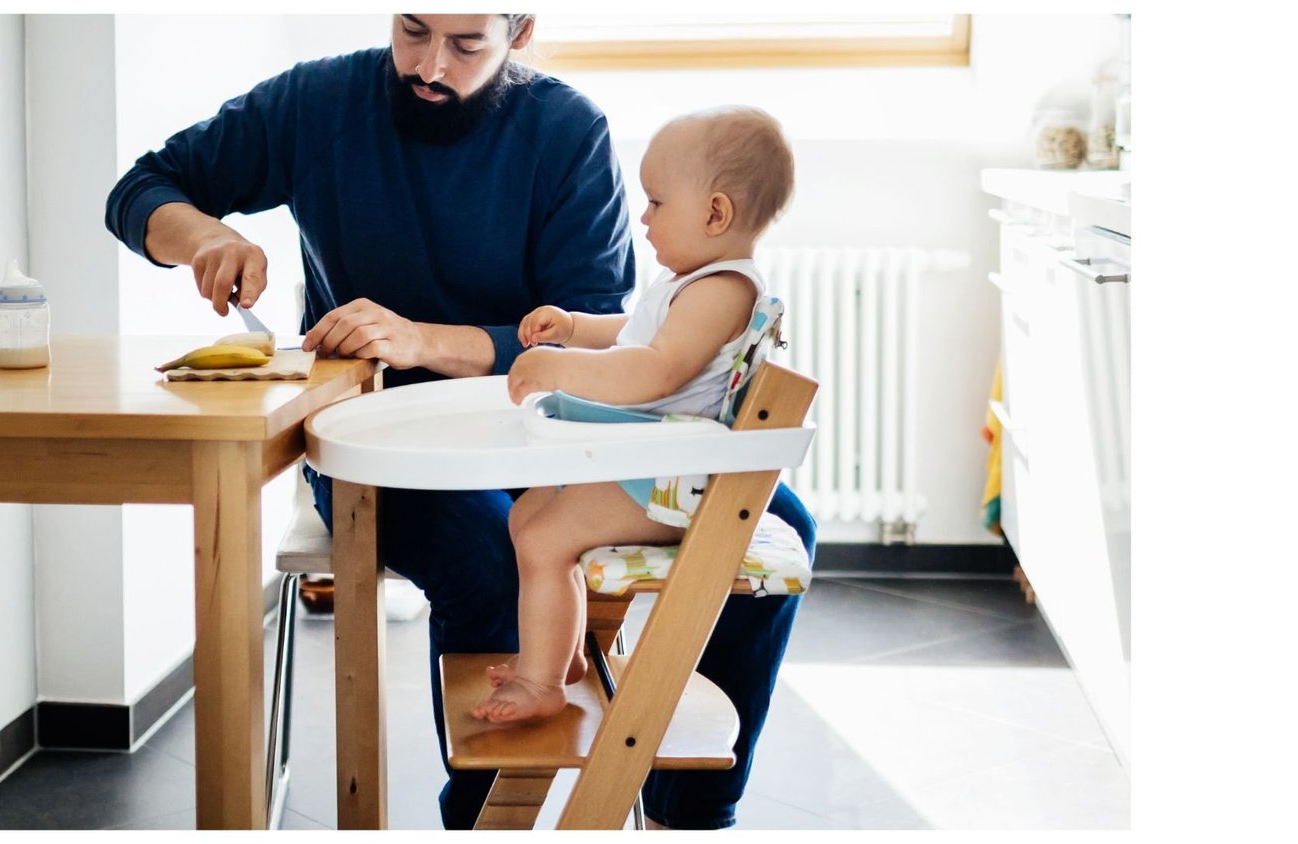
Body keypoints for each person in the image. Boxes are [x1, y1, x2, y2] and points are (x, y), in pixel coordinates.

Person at [105, 14, 818, 830]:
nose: (429, 65)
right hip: (381, 444)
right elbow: (141, 188)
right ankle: (483, 820)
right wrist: (203, 235)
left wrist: (428, 340)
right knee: (494, 559)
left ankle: (689, 809)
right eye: (412, 29)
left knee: (773, 518)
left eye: (467, 43)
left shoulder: (565, 130)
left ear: (519, 30)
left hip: (547, 428)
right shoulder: (317, 103)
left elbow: (606, 329)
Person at [473, 106, 796, 725]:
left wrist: (558, 368)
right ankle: (559, 655)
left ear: (715, 213)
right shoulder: (693, 285)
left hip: (673, 485)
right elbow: (635, 334)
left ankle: (541, 683)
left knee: (545, 538)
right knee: (528, 516)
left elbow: (655, 368)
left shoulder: (721, 289)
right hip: (652, 466)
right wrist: (573, 329)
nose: (643, 218)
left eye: (655, 202)